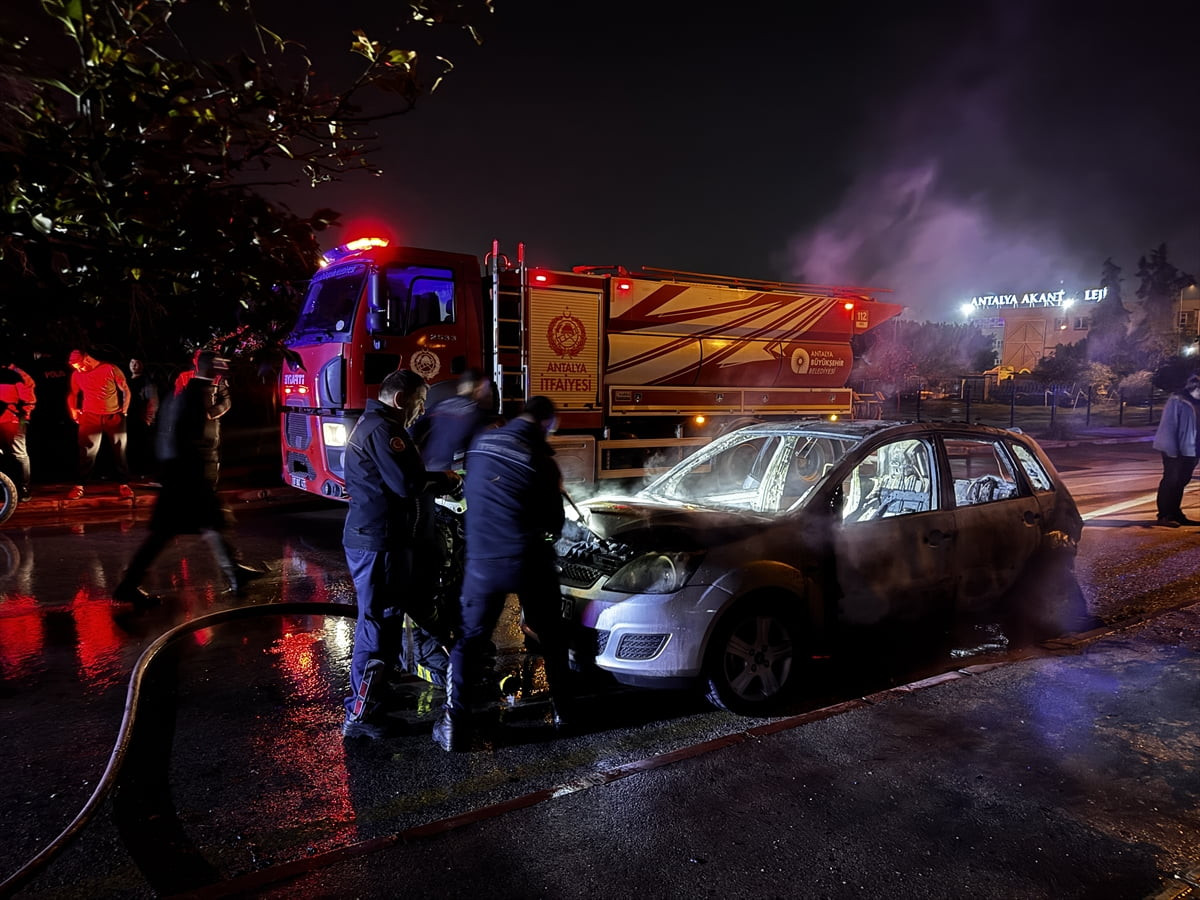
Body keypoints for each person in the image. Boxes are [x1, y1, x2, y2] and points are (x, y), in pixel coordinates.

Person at [433, 396, 571, 752]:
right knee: (552, 637)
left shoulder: (481, 442)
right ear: (545, 424)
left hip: (482, 563)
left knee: (469, 641)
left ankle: (453, 726)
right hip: (528, 562)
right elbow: (553, 524)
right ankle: (565, 711)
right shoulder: (541, 461)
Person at [340, 369, 462, 740]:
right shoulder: (384, 430)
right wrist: (447, 479)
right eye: (420, 401)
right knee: (378, 626)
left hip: (379, 540)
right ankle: (361, 713)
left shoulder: (377, 424)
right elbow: (406, 483)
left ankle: (374, 695)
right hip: (379, 542)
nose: (421, 410)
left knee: (384, 622)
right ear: (399, 399)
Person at [112, 352, 263, 608]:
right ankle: (128, 586)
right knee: (171, 532)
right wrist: (198, 478)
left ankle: (235, 573)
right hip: (187, 479)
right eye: (222, 363)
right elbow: (194, 442)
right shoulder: (196, 396)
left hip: (181, 477)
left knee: (210, 524)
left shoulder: (189, 393)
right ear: (213, 368)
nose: (227, 366)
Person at [66, 349, 133, 500]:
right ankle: (79, 486)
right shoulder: (76, 374)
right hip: (89, 416)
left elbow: (126, 390)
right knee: (86, 452)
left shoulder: (110, 369)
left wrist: (125, 411)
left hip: (113, 415)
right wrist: (73, 410)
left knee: (119, 450)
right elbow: (73, 393)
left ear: (87, 359)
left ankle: (124, 484)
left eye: (80, 366)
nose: (79, 370)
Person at [412, 367, 493, 470]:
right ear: (479, 386)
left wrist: (415, 449)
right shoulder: (475, 411)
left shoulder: (440, 404)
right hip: (452, 471)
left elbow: (413, 425)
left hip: (429, 464)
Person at [1152, 372, 1200, 527]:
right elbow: (1168, 425)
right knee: (1171, 480)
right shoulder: (1178, 399)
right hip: (1174, 448)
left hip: (1193, 448)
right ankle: (1164, 515)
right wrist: (1170, 449)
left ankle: (1175, 513)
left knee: (1182, 481)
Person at [0, 353, 37, 501]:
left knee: (19, 454)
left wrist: (24, 416)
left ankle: (24, 488)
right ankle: (6, 488)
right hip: (9, 418)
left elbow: (29, 397)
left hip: (12, 420)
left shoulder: (16, 374)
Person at [126, 358, 160, 479]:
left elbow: (152, 401)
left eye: (137, 363)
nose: (134, 366)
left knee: (141, 446)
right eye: (132, 363)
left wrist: (149, 418)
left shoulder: (147, 381)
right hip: (129, 418)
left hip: (141, 419)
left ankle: (143, 471)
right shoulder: (127, 380)